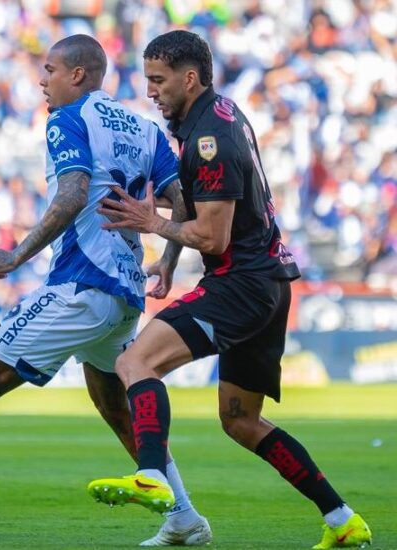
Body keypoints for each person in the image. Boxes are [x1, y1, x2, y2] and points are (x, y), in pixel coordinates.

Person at [0, 34, 211, 546]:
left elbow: (74, 193)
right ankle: (184, 517)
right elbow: (182, 203)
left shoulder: (67, 119)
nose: (41, 80)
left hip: (82, 285)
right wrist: (165, 261)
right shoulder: (146, 129)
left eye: (49, 69)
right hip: (124, 293)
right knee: (114, 403)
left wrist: (17, 255)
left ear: (77, 75)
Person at [89, 30, 372, 549]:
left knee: (135, 364)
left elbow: (211, 234)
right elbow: (200, 209)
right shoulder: (220, 114)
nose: (150, 91)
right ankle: (342, 518)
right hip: (268, 281)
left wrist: (154, 226)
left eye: (158, 80)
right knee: (241, 421)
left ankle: (151, 475)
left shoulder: (207, 139)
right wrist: (171, 259)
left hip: (241, 282)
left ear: (189, 77)